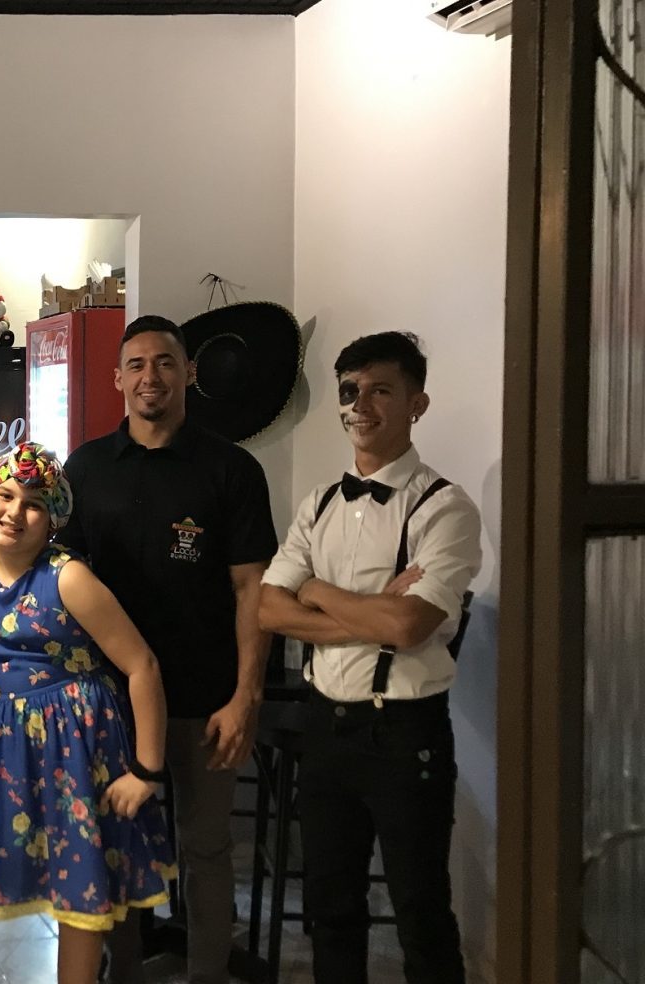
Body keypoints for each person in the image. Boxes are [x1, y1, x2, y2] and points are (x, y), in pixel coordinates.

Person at [57, 315, 276, 984]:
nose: (150, 376)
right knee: (117, 846)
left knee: (206, 848)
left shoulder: (232, 469)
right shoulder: (85, 468)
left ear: (189, 373)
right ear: (118, 379)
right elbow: (61, 582)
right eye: (137, 364)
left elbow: (253, 590)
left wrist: (246, 697)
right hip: (109, 704)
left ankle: (207, 973)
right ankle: (123, 971)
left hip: (206, 699)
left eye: (165, 362)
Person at [0, 443, 175, 984]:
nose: (15, 512)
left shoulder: (69, 577)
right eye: (5, 495)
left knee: (80, 883)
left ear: (53, 520)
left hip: (79, 746)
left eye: (34, 504)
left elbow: (142, 665)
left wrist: (146, 771)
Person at [258, 331, 480, 984]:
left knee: (420, 911)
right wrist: (370, 610)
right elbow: (268, 610)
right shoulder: (320, 503)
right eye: (350, 390)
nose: (361, 405)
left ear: (417, 403)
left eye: (381, 390)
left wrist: (316, 590)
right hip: (326, 725)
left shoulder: (446, 508)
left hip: (404, 731)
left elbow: (409, 624)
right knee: (330, 910)